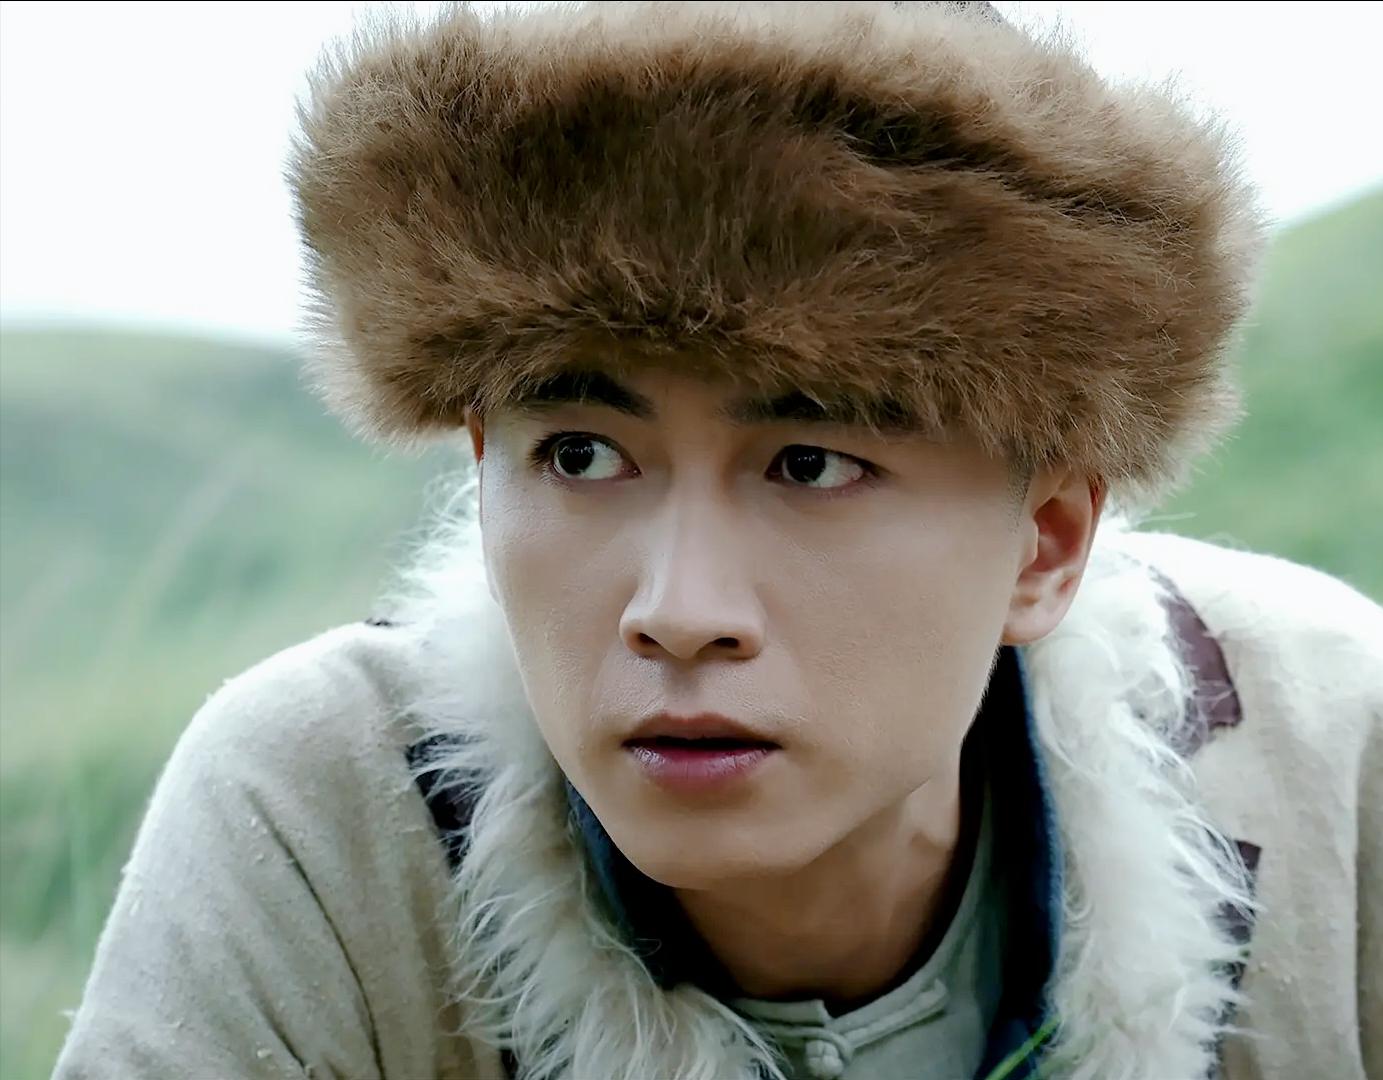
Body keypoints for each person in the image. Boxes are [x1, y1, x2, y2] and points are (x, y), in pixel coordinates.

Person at [53, 3, 1381, 1078]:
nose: (678, 610)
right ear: (482, 467)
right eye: (581, 455)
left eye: (812, 464)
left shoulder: (1332, 750)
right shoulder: (319, 810)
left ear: (1044, 544)